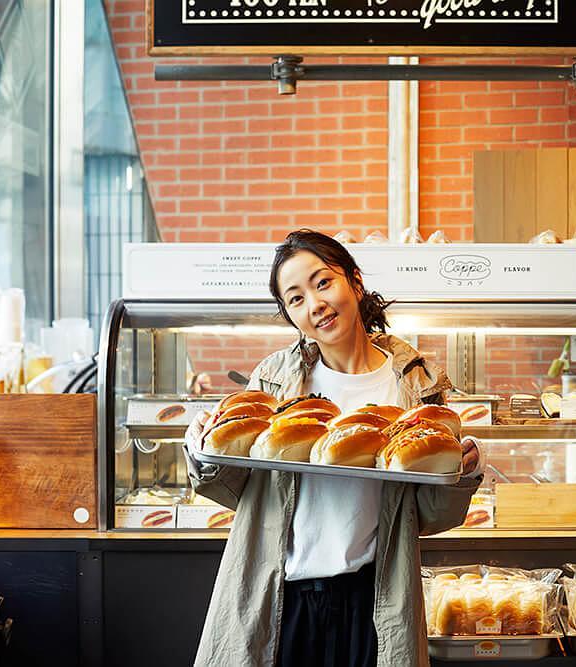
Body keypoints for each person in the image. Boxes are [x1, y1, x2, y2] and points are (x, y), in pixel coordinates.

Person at [184, 229, 483, 667]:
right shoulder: (274, 381)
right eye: (296, 298)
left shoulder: (414, 385)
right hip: (282, 593)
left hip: (375, 595)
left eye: (322, 282)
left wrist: (464, 473)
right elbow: (234, 491)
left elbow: (430, 515)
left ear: (355, 282)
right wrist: (202, 448)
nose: (315, 304)